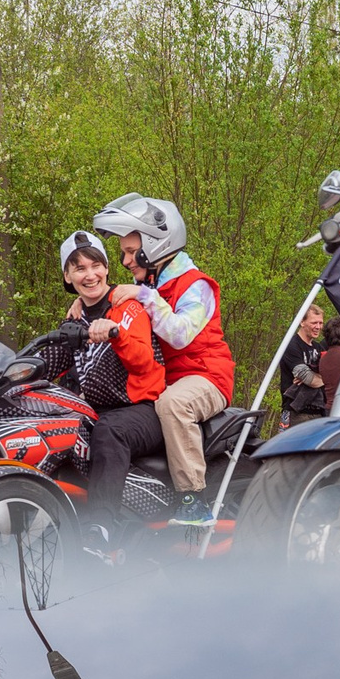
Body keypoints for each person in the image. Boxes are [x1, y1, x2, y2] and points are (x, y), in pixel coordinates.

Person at [91, 193, 235, 520]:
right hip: (168, 381)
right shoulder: (151, 283)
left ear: (155, 246)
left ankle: (193, 500)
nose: (126, 261)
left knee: (173, 404)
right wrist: (83, 308)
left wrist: (144, 295)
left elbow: (180, 334)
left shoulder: (196, 285)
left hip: (206, 378)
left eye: (130, 252)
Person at [56, 230, 168, 532]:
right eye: (79, 268)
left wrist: (116, 334)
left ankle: (101, 530)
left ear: (106, 268)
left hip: (143, 410)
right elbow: (47, 363)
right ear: (67, 276)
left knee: (109, 431)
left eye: (95, 265)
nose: (89, 275)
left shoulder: (128, 306)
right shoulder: (73, 321)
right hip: (96, 411)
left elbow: (144, 360)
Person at [278, 302, 329, 423]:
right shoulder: (291, 345)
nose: (318, 327)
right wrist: (314, 378)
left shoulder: (318, 347)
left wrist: (317, 378)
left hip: (319, 412)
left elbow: (332, 374)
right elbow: (308, 378)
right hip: (295, 412)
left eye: (320, 323)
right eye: (314, 323)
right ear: (302, 322)